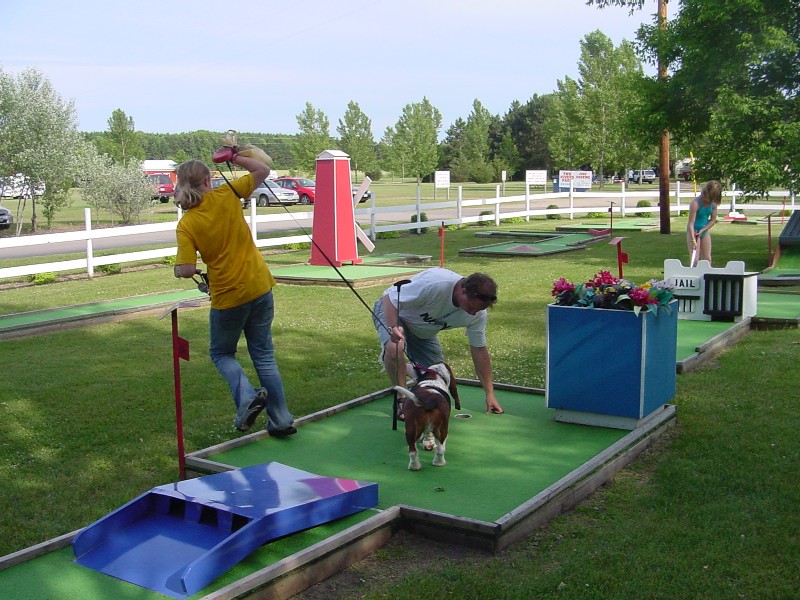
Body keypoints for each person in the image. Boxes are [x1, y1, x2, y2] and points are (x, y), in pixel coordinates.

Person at [173, 154, 296, 437]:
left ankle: (247, 398)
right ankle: (281, 421)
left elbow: (187, 269)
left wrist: (178, 270)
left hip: (228, 296)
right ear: (208, 179)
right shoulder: (228, 193)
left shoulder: (187, 223)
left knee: (221, 353)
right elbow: (263, 169)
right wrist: (235, 156)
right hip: (259, 286)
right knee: (263, 355)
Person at [372, 268, 504, 416]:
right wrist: (393, 327)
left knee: (438, 376)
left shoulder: (478, 315)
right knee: (395, 347)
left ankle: (401, 366)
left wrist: (490, 394)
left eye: (478, 310)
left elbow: (479, 350)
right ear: (463, 291)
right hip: (394, 311)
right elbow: (389, 299)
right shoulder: (437, 284)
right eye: (471, 307)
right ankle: (401, 400)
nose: (473, 313)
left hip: (423, 331)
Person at [687, 179, 722, 265]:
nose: (708, 201)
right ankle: (694, 273)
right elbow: (690, 223)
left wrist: (703, 230)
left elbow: (712, 220)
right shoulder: (695, 203)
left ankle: (706, 273)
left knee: (707, 259)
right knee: (695, 259)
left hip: (704, 231)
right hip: (693, 232)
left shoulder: (713, 204)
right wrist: (693, 240)